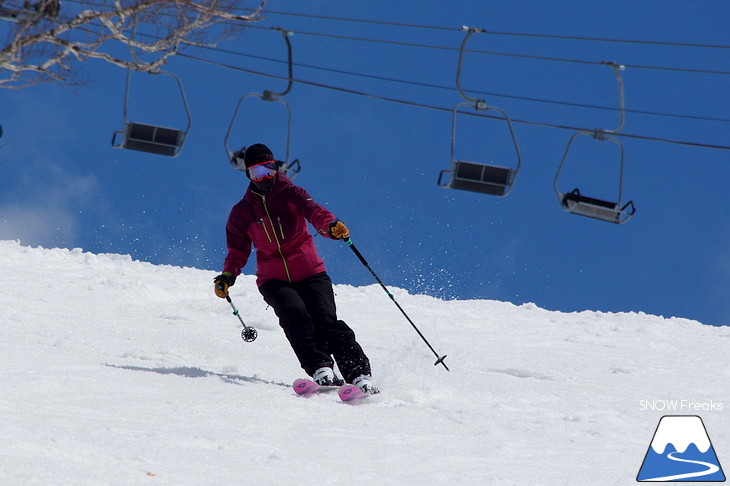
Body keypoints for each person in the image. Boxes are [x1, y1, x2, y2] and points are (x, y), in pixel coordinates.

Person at [214, 143, 377, 394]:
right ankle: (320, 368)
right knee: (294, 314)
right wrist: (227, 275)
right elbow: (237, 250)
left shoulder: (292, 193)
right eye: (256, 173)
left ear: (276, 168)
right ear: (248, 175)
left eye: (268, 170)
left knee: (325, 320)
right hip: (273, 279)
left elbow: (315, 212)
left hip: (310, 272)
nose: (264, 178)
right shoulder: (242, 212)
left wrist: (331, 226)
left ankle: (358, 374)